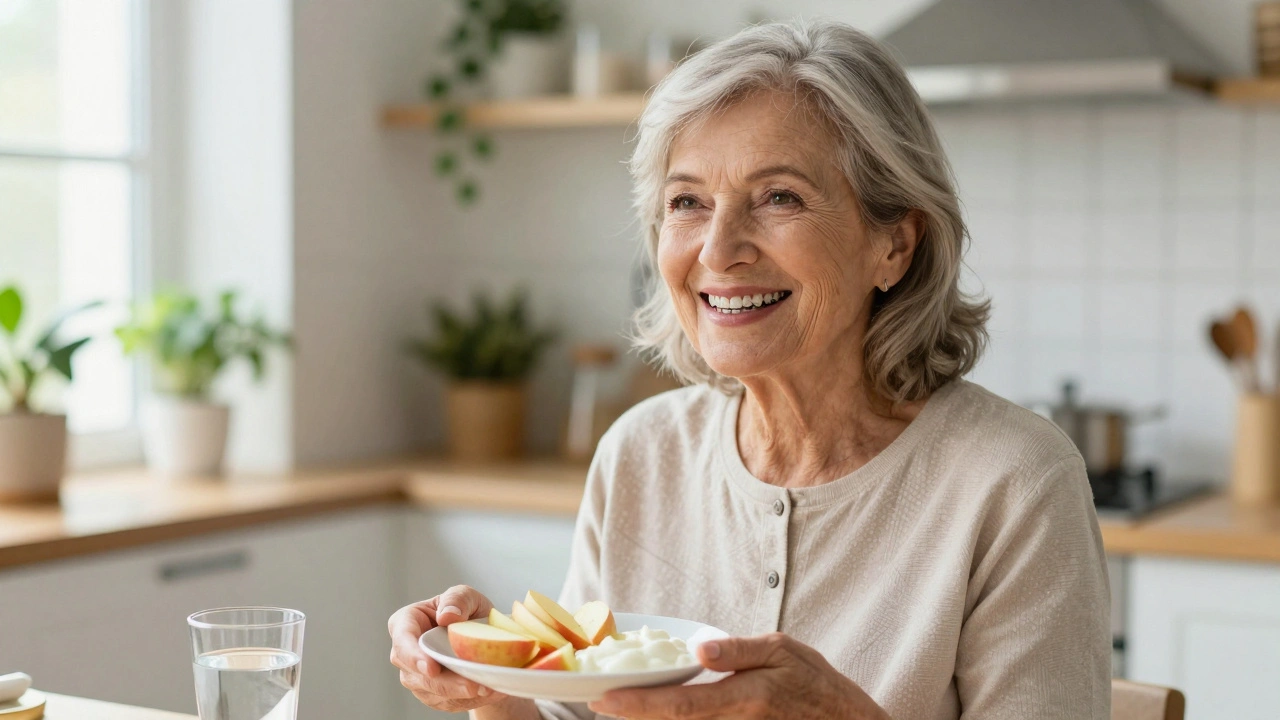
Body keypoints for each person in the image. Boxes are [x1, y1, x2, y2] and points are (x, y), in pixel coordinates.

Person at [389, 18, 1110, 720]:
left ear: (894, 244)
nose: (718, 248)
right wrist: (493, 686)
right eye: (688, 203)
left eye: (779, 197)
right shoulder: (640, 455)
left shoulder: (1016, 482)